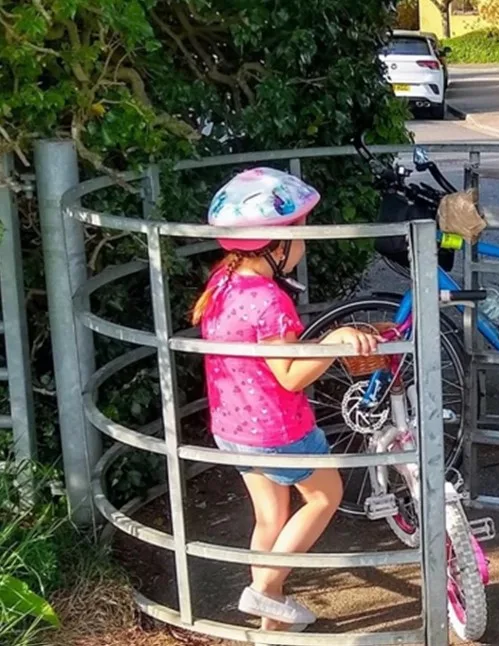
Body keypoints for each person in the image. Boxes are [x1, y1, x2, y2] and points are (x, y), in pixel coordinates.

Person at [192, 167, 379, 632]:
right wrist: (335, 341)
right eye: (299, 235)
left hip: (232, 428)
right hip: (277, 430)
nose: (304, 244)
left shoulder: (222, 286)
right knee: (325, 495)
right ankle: (261, 593)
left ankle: (269, 626)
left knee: (271, 517)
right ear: (275, 245)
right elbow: (291, 376)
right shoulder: (270, 301)